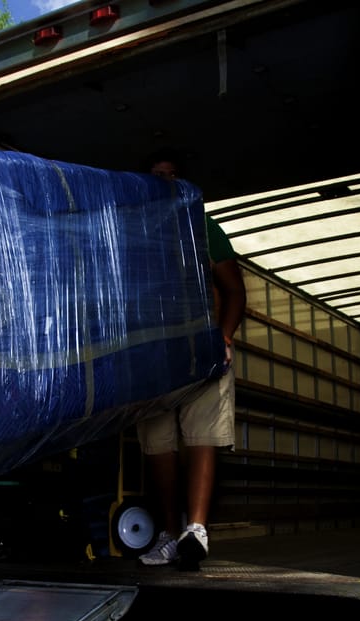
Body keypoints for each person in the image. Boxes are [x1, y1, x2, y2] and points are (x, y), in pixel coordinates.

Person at [137, 154, 246, 571]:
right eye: (155, 175)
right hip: (154, 355)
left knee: (202, 435)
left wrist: (224, 336)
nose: (163, 181)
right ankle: (168, 534)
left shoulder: (203, 227)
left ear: (180, 180)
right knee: (158, 446)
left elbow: (234, 291)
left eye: (169, 175)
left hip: (202, 349)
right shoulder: (139, 234)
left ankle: (196, 529)